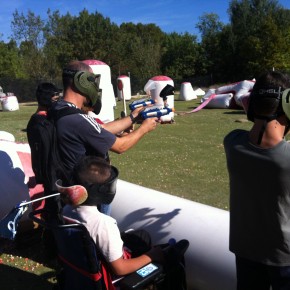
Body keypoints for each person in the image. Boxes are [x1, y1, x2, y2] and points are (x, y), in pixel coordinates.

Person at [50, 60, 158, 215]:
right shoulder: (78, 120)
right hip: (88, 197)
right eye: (91, 80)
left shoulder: (58, 110)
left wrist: (133, 117)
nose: (94, 86)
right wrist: (144, 129)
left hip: (68, 191)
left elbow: (100, 129)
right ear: (81, 81)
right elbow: (120, 146)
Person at [223, 70, 290, 290]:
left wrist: (255, 108)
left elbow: (252, 133)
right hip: (283, 257)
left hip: (245, 249)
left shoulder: (232, 142)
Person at [60, 155, 164, 277]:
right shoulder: (103, 224)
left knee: (142, 235)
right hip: (109, 276)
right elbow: (120, 269)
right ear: (101, 191)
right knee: (154, 249)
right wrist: (152, 255)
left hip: (80, 268)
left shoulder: (66, 210)